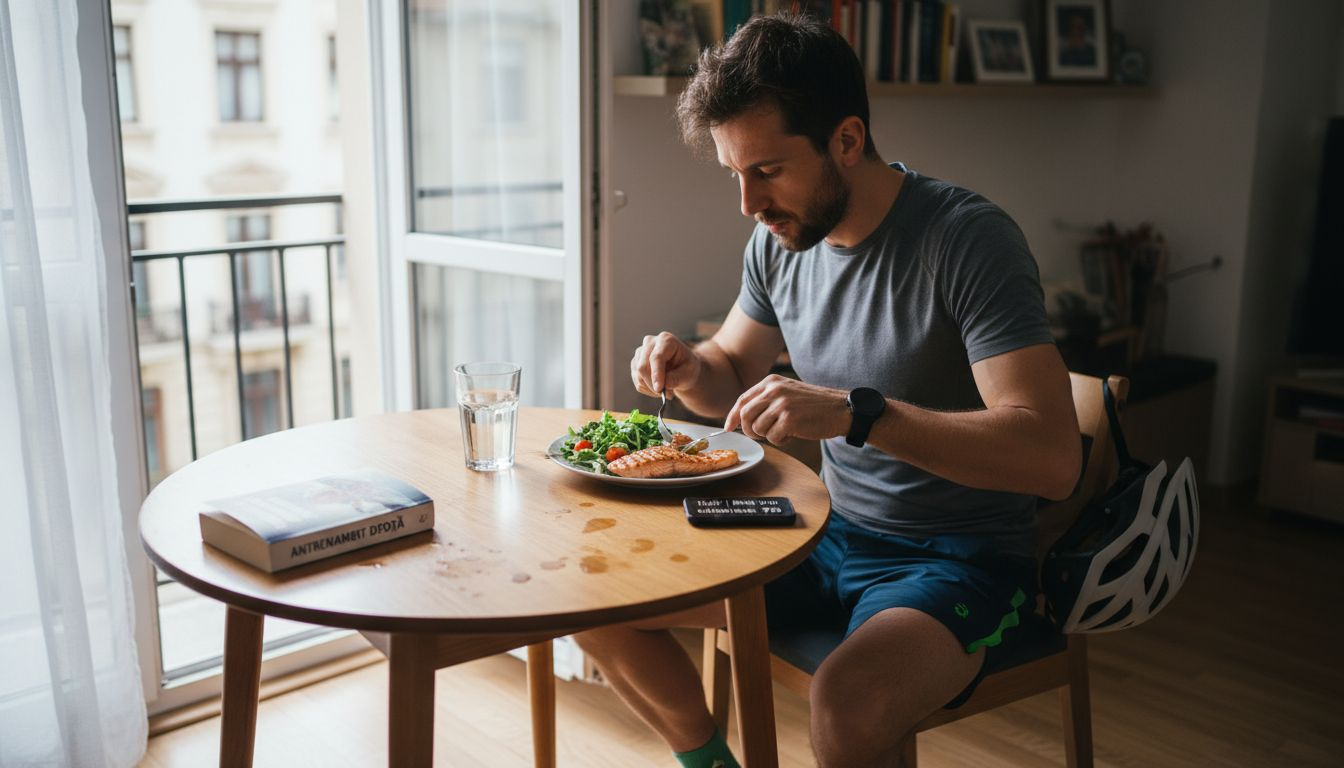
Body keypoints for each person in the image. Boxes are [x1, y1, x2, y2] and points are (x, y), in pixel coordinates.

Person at [573, 12, 1080, 768]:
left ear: (846, 140)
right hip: (818, 531)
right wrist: (691, 367)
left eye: (767, 170)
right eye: (734, 174)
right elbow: (731, 370)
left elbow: (1052, 457)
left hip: (956, 557)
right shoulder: (779, 241)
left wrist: (855, 414)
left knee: (847, 704)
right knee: (597, 596)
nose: (748, 203)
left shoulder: (967, 239)